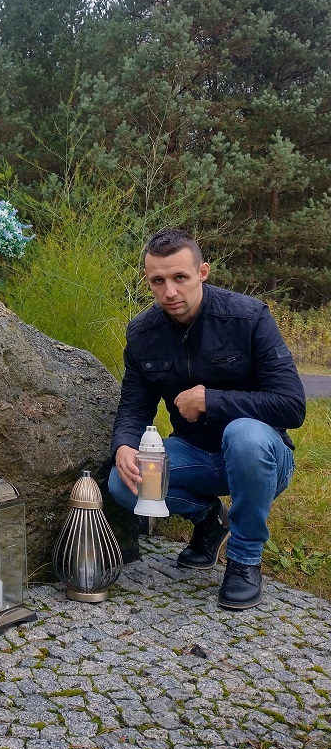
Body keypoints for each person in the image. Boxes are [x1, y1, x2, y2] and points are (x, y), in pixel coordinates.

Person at [108, 228, 304, 611]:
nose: (170, 292)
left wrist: (211, 400)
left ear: (203, 272)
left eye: (180, 277)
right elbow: (134, 406)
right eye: (158, 281)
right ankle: (210, 518)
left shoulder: (248, 317)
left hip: (261, 458)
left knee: (245, 435)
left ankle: (245, 561)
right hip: (195, 454)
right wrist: (124, 445)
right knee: (122, 483)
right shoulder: (143, 334)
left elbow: (292, 406)